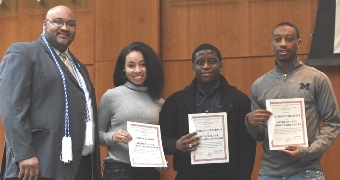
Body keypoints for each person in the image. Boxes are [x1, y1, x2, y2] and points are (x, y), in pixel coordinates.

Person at [0, 5, 101, 180]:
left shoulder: (80, 67)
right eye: (58, 22)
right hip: (37, 164)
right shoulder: (24, 53)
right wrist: (24, 153)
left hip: (79, 165)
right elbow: (12, 108)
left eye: (71, 24)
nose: (65, 28)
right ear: (44, 24)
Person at [246, 22, 340, 179]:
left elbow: (333, 123)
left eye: (288, 39)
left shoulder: (317, 78)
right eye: (278, 39)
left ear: (299, 43)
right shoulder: (259, 85)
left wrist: (307, 152)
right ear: (272, 44)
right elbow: (260, 135)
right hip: (270, 173)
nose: (283, 43)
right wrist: (250, 122)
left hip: (307, 170)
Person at [159, 43, 256, 180]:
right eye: (200, 62)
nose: (206, 66)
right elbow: (161, 140)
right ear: (193, 68)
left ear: (221, 66)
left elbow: (247, 148)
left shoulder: (240, 100)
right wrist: (176, 145)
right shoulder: (175, 101)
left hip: (229, 176)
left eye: (212, 61)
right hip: (188, 176)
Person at [98, 41, 167, 180]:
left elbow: (161, 140)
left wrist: (161, 159)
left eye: (143, 64)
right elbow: (96, 134)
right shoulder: (111, 96)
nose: (137, 70)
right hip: (119, 170)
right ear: (123, 68)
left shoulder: (159, 102)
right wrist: (112, 137)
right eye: (131, 65)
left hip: (149, 172)